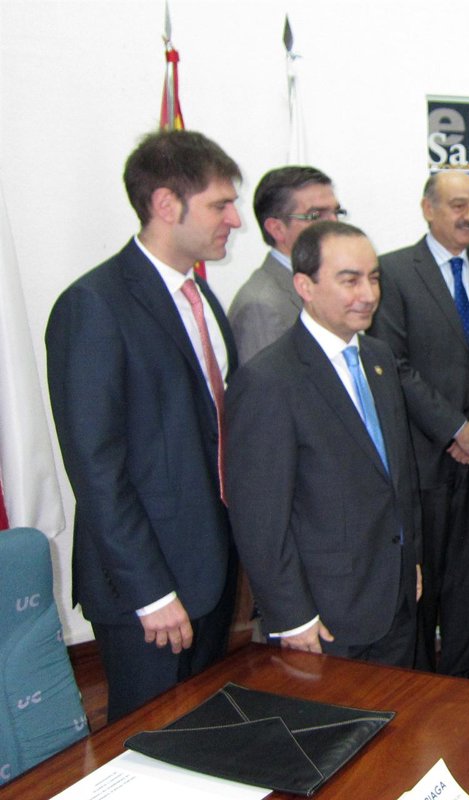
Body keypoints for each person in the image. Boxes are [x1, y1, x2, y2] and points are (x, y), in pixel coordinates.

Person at [45, 130, 242, 720]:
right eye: (220, 205)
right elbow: (96, 467)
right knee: (148, 743)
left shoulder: (200, 297)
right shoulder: (94, 305)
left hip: (211, 572)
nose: (234, 220)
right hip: (149, 589)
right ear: (165, 204)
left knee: (202, 732)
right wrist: (151, 592)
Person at [224, 221, 422, 665]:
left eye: (373, 278)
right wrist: (292, 616)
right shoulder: (268, 381)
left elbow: (398, 475)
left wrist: (410, 560)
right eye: (350, 280)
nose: (368, 294)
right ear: (304, 286)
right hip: (325, 615)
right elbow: (260, 519)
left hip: (394, 596)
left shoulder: (378, 358)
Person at [370, 171, 469, 677]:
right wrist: (457, 429)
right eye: (458, 205)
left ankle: (463, 681)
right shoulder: (392, 272)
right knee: (422, 585)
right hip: (423, 458)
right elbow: (393, 364)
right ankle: (418, 685)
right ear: (427, 208)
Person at [227, 166, 345, 361]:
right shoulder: (261, 305)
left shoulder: (322, 283)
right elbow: (266, 380)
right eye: (315, 215)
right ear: (277, 229)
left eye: (337, 212)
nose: (335, 225)